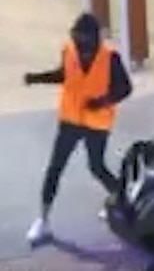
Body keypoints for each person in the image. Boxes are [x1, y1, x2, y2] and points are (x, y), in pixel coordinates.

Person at [24, 13, 132, 244]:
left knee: (96, 166)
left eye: (83, 39)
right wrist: (37, 78)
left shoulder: (110, 57)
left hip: (97, 122)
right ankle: (43, 220)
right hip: (70, 119)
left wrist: (103, 101)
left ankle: (123, 203)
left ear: (94, 39)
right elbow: (64, 74)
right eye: (76, 37)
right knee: (55, 168)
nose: (80, 44)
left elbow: (125, 88)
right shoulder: (68, 50)